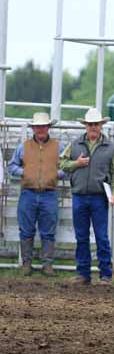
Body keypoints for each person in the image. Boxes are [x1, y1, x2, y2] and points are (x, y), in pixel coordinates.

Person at [59, 108, 114, 285]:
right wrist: (76, 163)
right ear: (86, 126)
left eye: (96, 124)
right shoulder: (76, 143)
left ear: (101, 125)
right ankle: (83, 273)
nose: (93, 127)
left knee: (101, 236)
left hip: (99, 197)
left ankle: (105, 274)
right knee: (81, 236)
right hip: (79, 195)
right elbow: (62, 163)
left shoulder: (110, 147)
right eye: (90, 124)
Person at [7, 113, 67, 276]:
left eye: (43, 126)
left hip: (50, 193)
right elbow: (11, 166)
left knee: (48, 230)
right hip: (28, 193)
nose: (40, 129)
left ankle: (47, 265)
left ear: (48, 128)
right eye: (37, 126)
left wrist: (55, 174)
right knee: (26, 230)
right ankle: (27, 264)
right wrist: (25, 172)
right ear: (33, 128)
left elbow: (67, 168)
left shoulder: (58, 147)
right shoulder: (23, 147)